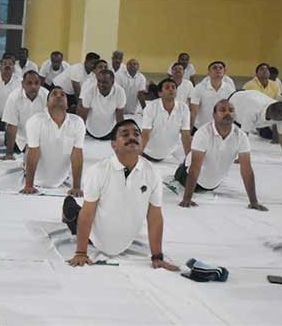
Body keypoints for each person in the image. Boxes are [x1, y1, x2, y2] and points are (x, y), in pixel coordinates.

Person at [63, 120, 179, 271]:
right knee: (74, 211)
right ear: (114, 145)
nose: (132, 137)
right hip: (94, 235)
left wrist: (157, 257)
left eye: (136, 134)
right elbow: (87, 213)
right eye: (125, 134)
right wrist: (80, 253)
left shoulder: (152, 172)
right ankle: (68, 206)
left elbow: (154, 216)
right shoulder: (98, 171)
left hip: (123, 241)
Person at [177, 100, 268, 211]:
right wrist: (187, 199)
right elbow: (195, 168)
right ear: (214, 115)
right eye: (222, 110)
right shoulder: (203, 133)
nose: (227, 113)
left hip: (213, 184)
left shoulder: (241, 136)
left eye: (231, 110)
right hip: (186, 176)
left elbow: (247, 171)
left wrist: (254, 202)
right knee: (188, 163)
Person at [20, 87, 85, 196]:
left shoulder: (77, 122)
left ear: (67, 104)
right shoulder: (36, 121)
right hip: (36, 180)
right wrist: (29, 185)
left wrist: (76, 187)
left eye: (62, 95)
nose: (59, 96)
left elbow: (77, 155)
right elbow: (33, 153)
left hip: (62, 179)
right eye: (54, 94)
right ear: (47, 103)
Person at [228, 90, 282, 166]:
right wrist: (241, 158)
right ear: (272, 116)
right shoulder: (252, 111)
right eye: (279, 119)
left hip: (252, 96)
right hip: (234, 100)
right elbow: (244, 136)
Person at [0, 71, 48, 160]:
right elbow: (12, 126)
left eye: (36, 83)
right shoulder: (14, 97)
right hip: (19, 139)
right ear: (22, 84)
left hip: (41, 139)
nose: (33, 86)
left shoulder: (47, 96)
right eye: (29, 83)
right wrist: (9, 153)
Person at [140, 78, 191, 162]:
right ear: (160, 93)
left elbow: (185, 135)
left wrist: (189, 160)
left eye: (173, 87)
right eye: (167, 87)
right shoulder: (151, 107)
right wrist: (137, 157)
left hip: (172, 150)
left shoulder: (183, 108)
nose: (171, 89)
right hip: (148, 152)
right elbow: (145, 134)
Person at [79, 70, 126, 140]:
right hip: (90, 130)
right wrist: (80, 134)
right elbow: (83, 116)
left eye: (105, 82)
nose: (101, 84)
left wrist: (122, 135)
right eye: (99, 81)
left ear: (112, 82)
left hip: (110, 131)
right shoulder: (89, 91)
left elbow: (119, 116)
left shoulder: (120, 92)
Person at [189, 61, 235, 132]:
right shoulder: (199, 88)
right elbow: (193, 112)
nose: (218, 70)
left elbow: (233, 111)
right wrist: (189, 131)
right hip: (201, 128)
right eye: (215, 68)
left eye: (220, 68)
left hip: (222, 128)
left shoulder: (230, 90)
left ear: (224, 72)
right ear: (209, 73)